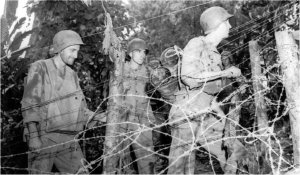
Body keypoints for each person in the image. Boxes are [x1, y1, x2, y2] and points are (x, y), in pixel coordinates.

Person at [167, 6, 242, 174]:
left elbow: (208, 92)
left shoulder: (214, 53)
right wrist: (225, 72)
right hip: (186, 113)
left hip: (204, 113)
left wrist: (222, 117)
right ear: (216, 24)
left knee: (231, 149)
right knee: (181, 168)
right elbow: (189, 76)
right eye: (226, 22)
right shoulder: (196, 44)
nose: (229, 26)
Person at [21, 30, 102, 174]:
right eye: (72, 50)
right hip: (44, 136)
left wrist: (101, 117)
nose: (76, 55)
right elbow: (30, 103)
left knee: (81, 173)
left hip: (68, 138)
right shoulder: (40, 68)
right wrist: (33, 137)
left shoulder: (72, 75)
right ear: (60, 49)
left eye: (77, 51)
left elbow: (80, 109)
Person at [120, 38, 157, 174]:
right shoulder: (120, 70)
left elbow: (150, 95)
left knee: (147, 161)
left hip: (142, 121)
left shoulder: (146, 72)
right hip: (123, 120)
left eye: (144, 52)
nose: (143, 55)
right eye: (138, 51)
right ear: (130, 54)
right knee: (120, 162)